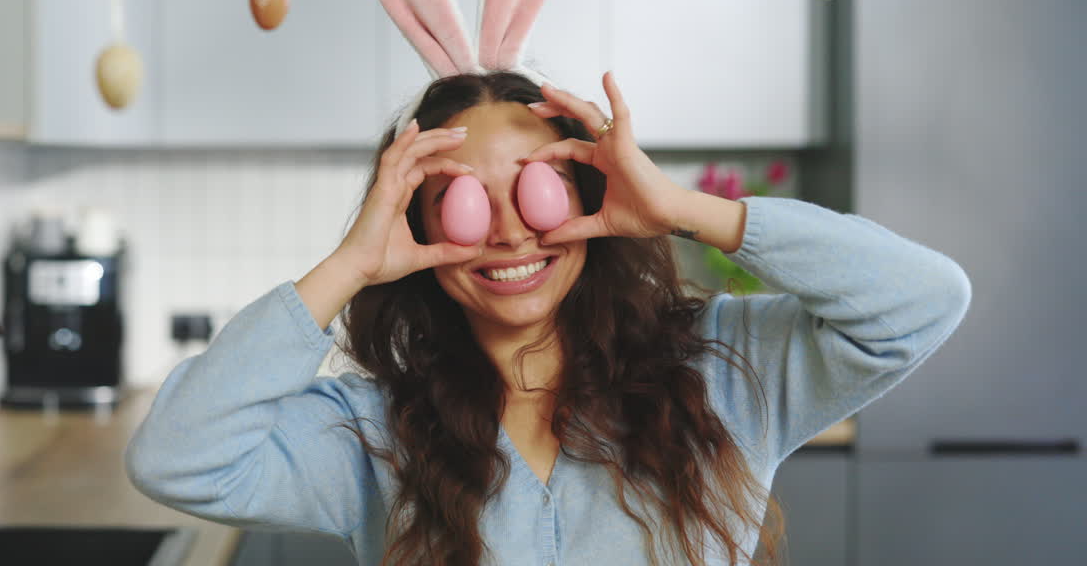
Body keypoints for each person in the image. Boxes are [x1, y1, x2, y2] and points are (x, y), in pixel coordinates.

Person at [125, 68, 972, 566]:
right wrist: (349, 264)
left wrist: (681, 208)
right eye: (462, 201)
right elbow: (176, 457)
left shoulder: (720, 371)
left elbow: (924, 301)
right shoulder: (375, 430)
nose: (508, 232)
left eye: (536, 189)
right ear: (417, 230)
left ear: (589, 197)